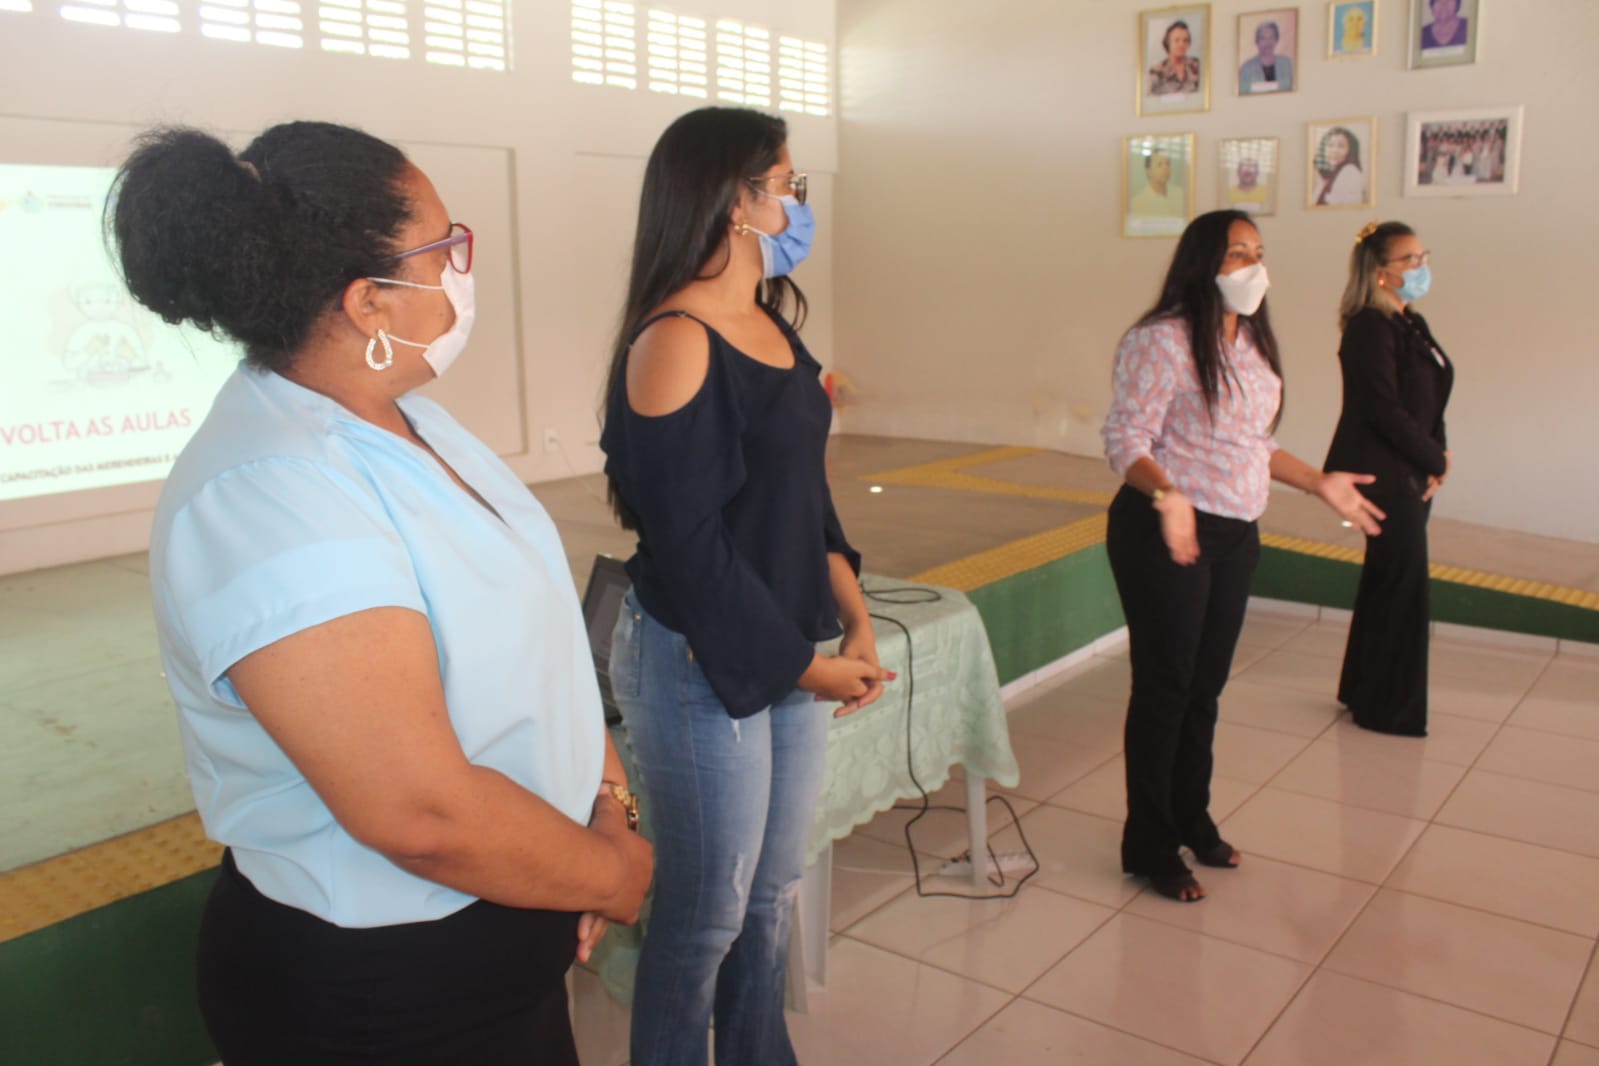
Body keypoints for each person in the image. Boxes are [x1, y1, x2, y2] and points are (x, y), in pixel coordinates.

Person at [110, 121, 653, 1065]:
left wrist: (606, 808)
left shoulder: (412, 425)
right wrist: (608, 873)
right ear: (369, 301)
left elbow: (537, 657)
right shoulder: (272, 492)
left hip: (498, 936)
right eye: (446, 250)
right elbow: (419, 813)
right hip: (383, 991)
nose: (461, 272)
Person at [599, 107, 890, 1066]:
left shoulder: (769, 324)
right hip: (696, 659)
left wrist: (852, 621)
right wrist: (805, 673)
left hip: (784, 647)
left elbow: (804, 503)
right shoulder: (676, 338)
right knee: (705, 914)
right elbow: (689, 551)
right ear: (735, 200)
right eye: (784, 186)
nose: (794, 206)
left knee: (767, 898)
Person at [1101, 210, 1384, 903]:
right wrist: (1166, 494)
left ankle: (1190, 816)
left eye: (1257, 253)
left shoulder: (1250, 340)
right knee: (1165, 688)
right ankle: (1149, 844)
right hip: (1164, 527)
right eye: (1235, 255)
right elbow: (1123, 437)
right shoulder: (1160, 340)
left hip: (1233, 532)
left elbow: (1252, 442)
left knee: (1204, 687)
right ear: (1203, 264)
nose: (1252, 268)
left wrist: (1317, 481)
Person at [1325, 221, 1454, 737]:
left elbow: (1431, 396)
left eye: (1424, 256)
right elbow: (1382, 408)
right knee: (1403, 587)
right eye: (1411, 261)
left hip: (1412, 466)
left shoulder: (1410, 323)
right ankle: (1388, 708)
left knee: (1387, 580)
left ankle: (1364, 688)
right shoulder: (1368, 328)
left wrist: (1435, 453)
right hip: (1385, 472)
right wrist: (1434, 459)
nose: (1422, 268)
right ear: (1381, 274)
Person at [1315, 126, 1367, 206]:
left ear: (1350, 150)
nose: (1334, 151)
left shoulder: (1349, 171)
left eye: (1341, 146)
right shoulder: (1329, 175)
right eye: (1330, 145)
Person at [1239, 20, 1294, 92]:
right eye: (1263, 38)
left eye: (1271, 37)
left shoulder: (1288, 64)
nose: (1267, 42)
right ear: (1257, 41)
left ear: (1276, 40)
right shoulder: (1246, 68)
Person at [1149, 19, 1201, 95]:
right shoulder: (1157, 71)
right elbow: (1153, 101)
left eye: (1185, 40)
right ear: (1167, 42)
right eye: (1177, 40)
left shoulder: (1197, 65)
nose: (1181, 45)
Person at [1130, 149, 1186, 217]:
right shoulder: (1137, 202)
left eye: (1168, 164)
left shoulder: (1179, 194)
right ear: (1148, 170)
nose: (1165, 168)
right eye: (1159, 164)